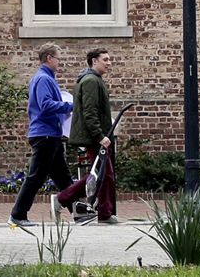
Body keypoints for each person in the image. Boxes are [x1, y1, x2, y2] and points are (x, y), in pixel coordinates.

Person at [7, 43, 74, 227]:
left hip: (50, 134)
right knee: (36, 176)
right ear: (49, 58)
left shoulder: (45, 78)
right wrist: (70, 106)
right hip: (45, 135)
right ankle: (17, 215)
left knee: (63, 177)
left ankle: (79, 212)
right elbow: (45, 105)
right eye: (58, 58)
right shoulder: (43, 79)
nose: (60, 62)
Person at [55, 47, 117, 224]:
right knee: (103, 175)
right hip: (94, 138)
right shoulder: (90, 81)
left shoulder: (94, 80)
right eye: (105, 59)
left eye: (109, 59)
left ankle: (104, 213)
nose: (109, 63)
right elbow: (90, 113)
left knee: (101, 174)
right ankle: (63, 199)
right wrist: (100, 136)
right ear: (94, 61)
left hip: (96, 137)